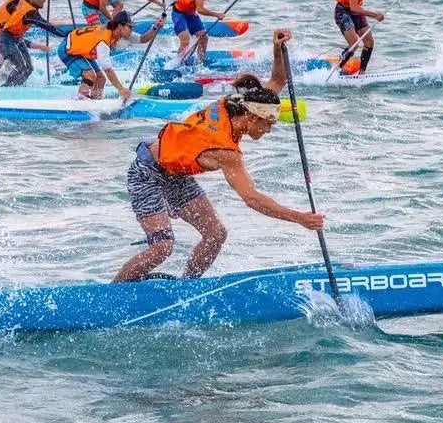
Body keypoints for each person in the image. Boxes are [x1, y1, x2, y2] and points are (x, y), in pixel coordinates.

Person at [114, 29, 325, 282]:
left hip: (177, 175)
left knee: (215, 234)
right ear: (251, 117)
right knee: (162, 247)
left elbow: (277, 81)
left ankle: (188, 287)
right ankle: (112, 293)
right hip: (148, 172)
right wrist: (299, 218)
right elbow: (252, 199)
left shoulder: (236, 103)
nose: (268, 131)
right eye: (267, 125)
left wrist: (277, 49)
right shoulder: (226, 151)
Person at [334, 0, 427, 75]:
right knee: (354, 43)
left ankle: (361, 74)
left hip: (356, 11)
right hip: (343, 11)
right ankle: (336, 69)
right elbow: (354, 8)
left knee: (369, 42)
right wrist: (375, 15)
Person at [57, 10, 165, 99]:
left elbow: (142, 39)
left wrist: (155, 28)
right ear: (120, 26)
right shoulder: (103, 40)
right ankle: (80, 103)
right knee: (90, 75)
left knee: (101, 79)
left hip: (81, 50)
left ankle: (95, 102)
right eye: (130, 27)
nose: (132, 30)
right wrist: (121, 89)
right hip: (67, 49)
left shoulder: (117, 31)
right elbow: (108, 69)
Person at [0, 0, 69, 86]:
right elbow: (48, 27)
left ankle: (14, 87)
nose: (44, 0)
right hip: (5, 40)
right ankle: (6, 88)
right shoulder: (30, 13)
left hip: (18, 38)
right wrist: (67, 34)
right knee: (21, 67)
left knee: (29, 69)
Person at [171, 0, 257, 67]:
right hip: (179, 13)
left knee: (203, 37)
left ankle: (199, 64)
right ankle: (177, 64)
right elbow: (200, 10)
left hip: (190, 13)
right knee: (185, 40)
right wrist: (216, 14)